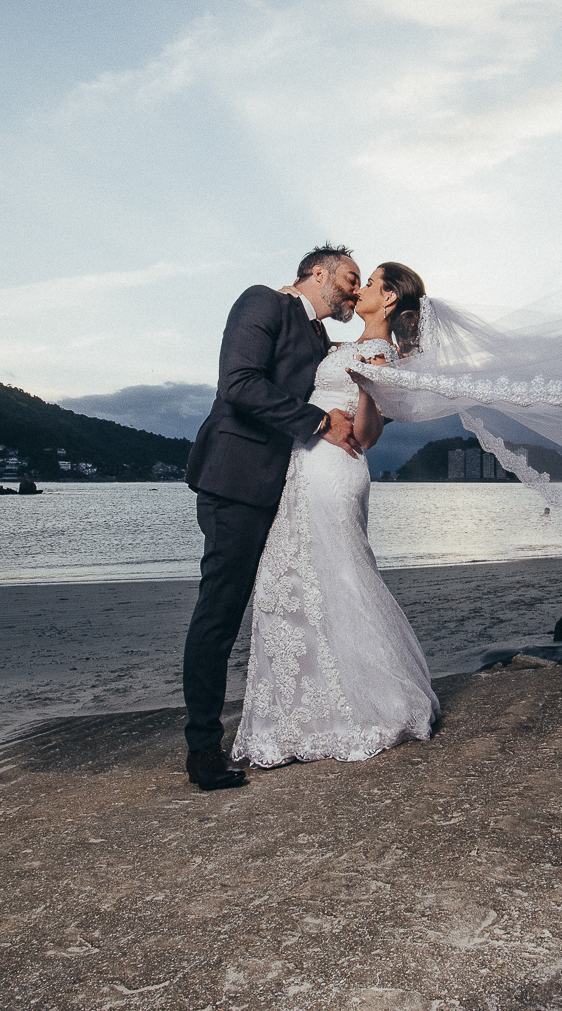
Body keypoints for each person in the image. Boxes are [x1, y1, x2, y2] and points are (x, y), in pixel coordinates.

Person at [231, 263, 440, 768]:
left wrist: (368, 387)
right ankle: (296, 712)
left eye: (369, 282)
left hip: (335, 469)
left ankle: (364, 704)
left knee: (339, 576)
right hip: (300, 464)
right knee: (290, 580)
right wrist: (290, 298)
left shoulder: (381, 354)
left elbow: (367, 437)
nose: (359, 287)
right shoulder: (335, 343)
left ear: (389, 299)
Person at [183, 244, 362, 791]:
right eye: (350, 278)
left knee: (289, 605)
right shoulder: (262, 301)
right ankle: (202, 748)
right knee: (222, 608)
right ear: (317, 272)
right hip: (235, 479)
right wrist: (318, 421)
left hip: (286, 489)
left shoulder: (318, 337)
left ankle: (293, 721)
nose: (356, 289)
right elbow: (238, 383)